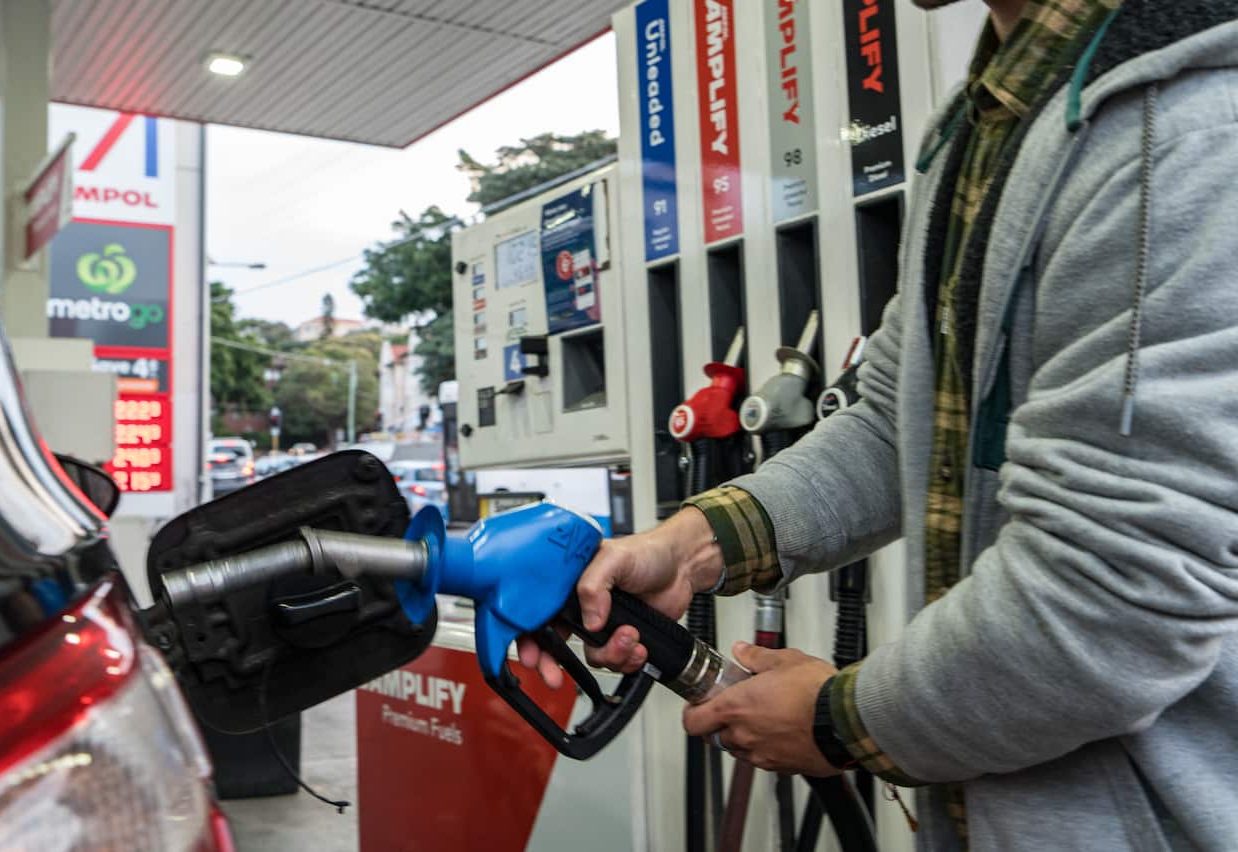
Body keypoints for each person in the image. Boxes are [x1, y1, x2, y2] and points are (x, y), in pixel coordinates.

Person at [520, 0, 1238, 849]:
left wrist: (840, 719)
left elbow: (1117, 587)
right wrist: (696, 542)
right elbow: (893, 419)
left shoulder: (1189, 130)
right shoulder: (987, 122)